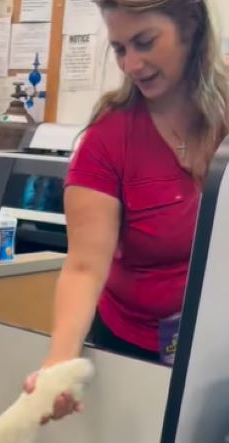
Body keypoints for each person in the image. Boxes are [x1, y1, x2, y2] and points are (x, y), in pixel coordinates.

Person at [27, 0, 229, 419]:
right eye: (120, 49)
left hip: (217, 348)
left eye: (145, 42)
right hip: (134, 350)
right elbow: (84, 267)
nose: (132, 64)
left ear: (190, 26)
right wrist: (58, 364)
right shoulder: (109, 139)